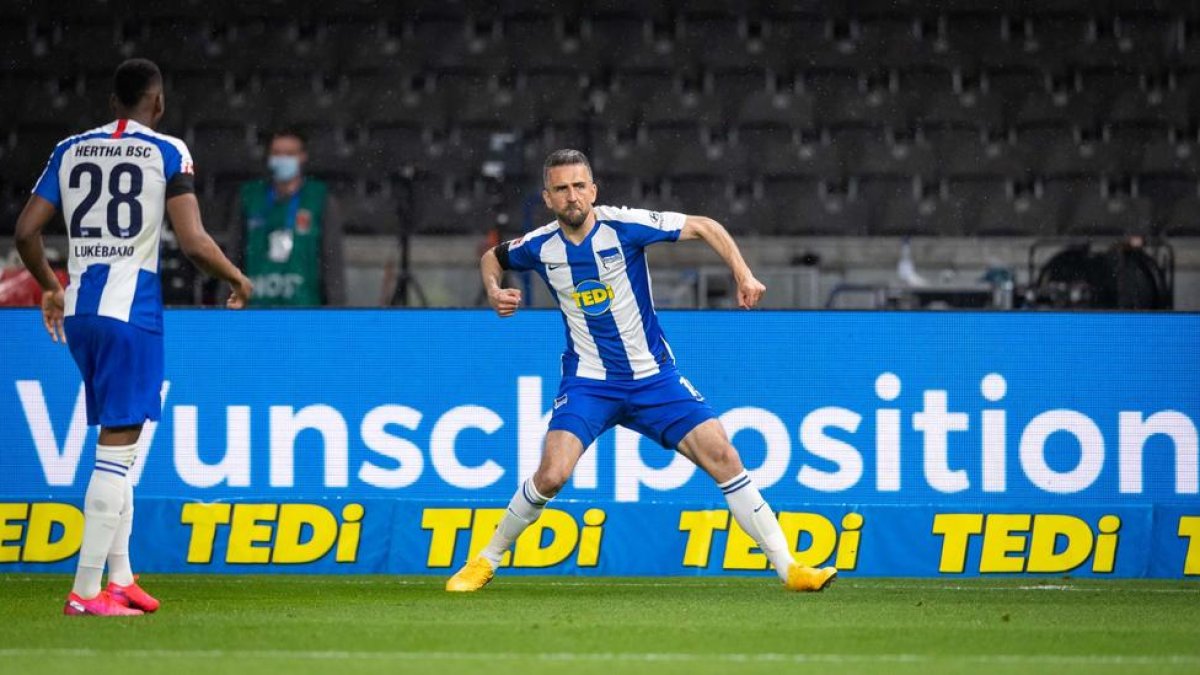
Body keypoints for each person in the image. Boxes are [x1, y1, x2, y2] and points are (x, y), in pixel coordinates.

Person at [447, 149, 837, 593]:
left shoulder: (625, 226)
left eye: (579, 186)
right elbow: (492, 258)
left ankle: (791, 569)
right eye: (561, 189)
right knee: (552, 475)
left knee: (725, 457)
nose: (572, 196)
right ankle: (485, 560)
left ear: (593, 191)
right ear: (548, 198)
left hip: (653, 378)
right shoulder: (540, 246)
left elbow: (705, 225)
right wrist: (495, 290)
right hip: (589, 383)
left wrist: (744, 276)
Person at [14, 58, 253, 616]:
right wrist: (236, 277)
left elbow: (27, 231)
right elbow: (193, 242)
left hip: (81, 311)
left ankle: (120, 576)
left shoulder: (69, 148)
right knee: (116, 452)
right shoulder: (168, 151)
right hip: (131, 312)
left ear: (112, 101)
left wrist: (51, 286)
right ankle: (86, 591)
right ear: (159, 102)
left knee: (122, 443)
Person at [227, 129, 346, 307]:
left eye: (289, 154)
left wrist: (337, 311)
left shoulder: (320, 198)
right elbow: (232, 256)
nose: (283, 159)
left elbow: (332, 262)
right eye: (277, 153)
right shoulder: (249, 197)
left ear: (302, 156)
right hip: (255, 307)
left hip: (304, 308)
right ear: (268, 157)